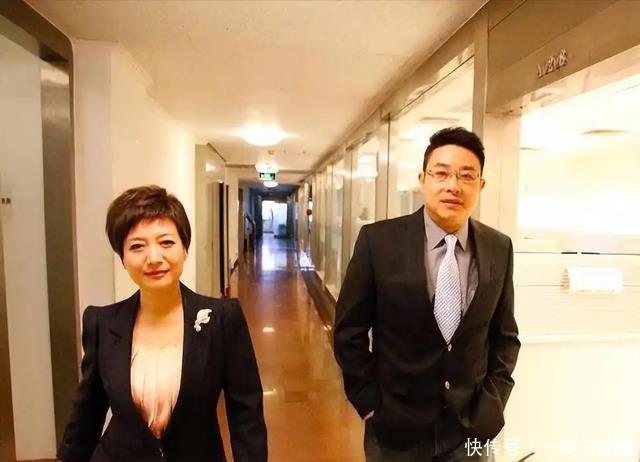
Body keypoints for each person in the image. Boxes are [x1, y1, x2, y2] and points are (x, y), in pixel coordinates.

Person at [333, 127, 520, 461]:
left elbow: (505, 336)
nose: (453, 186)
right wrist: (369, 403)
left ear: (480, 185)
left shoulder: (498, 247)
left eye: (466, 176)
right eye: (441, 173)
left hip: (470, 428)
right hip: (395, 428)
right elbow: (349, 331)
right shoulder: (378, 241)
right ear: (423, 179)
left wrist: (493, 404)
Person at [57, 185, 267, 462]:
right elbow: (87, 413)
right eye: (137, 246)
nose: (154, 258)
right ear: (123, 258)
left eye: (166, 242)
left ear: (184, 248)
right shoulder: (102, 323)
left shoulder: (222, 319)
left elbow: (246, 413)